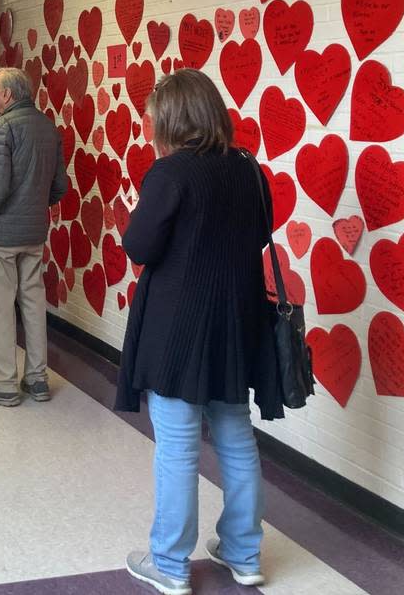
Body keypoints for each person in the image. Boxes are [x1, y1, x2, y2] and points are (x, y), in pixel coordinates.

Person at [116, 69, 280, 595]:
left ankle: (168, 563)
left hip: (179, 328)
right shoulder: (248, 169)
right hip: (235, 322)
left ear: (172, 119)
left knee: (179, 449)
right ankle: (243, 552)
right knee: (236, 438)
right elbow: (259, 235)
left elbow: (140, 248)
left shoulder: (170, 174)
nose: (148, 123)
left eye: (153, 115)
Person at [0, 68, 67, 406]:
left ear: (8, 95)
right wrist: (34, 205)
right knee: (34, 305)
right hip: (34, 232)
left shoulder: (1, 127)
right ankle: (37, 379)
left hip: (1, 236)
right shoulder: (48, 127)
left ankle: (4, 383)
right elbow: (59, 187)